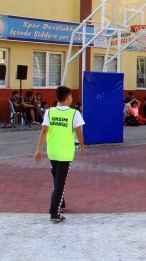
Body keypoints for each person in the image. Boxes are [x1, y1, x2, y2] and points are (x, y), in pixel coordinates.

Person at [33, 86, 85, 223]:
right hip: (65, 153)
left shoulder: (50, 112)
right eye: (71, 96)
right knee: (60, 182)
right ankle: (54, 212)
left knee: (57, 179)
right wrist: (82, 145)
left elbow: (44, 131)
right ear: (68, 97)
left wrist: (38, 150)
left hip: (53, 152)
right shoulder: (74, 113)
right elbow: (79, 132)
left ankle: (61, 203)